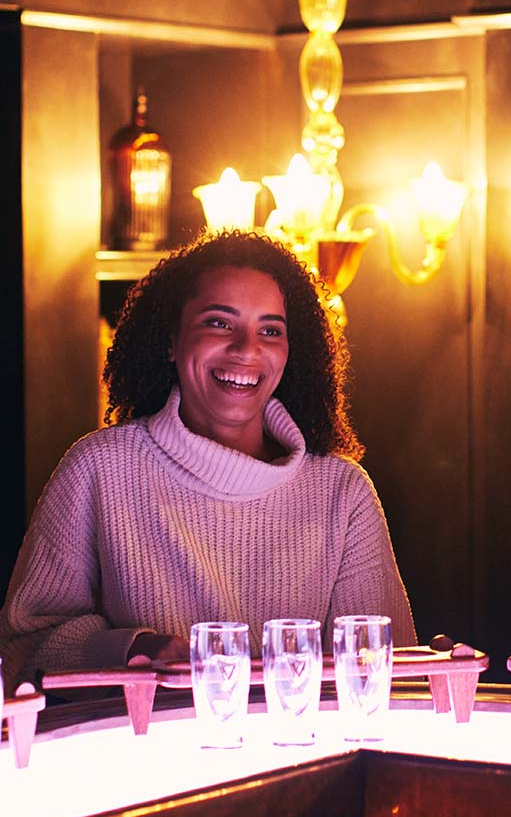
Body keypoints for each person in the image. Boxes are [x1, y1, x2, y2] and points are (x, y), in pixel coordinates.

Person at [0, 231, 415, 690]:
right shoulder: (97, 468)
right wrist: (133, 650)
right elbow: (24, 644)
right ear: (171, 340)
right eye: (219, 323)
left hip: (305, 753)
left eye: (270, 330)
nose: (246, 349)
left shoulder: (343, 491)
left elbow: (388, 673)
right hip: (141, 754)